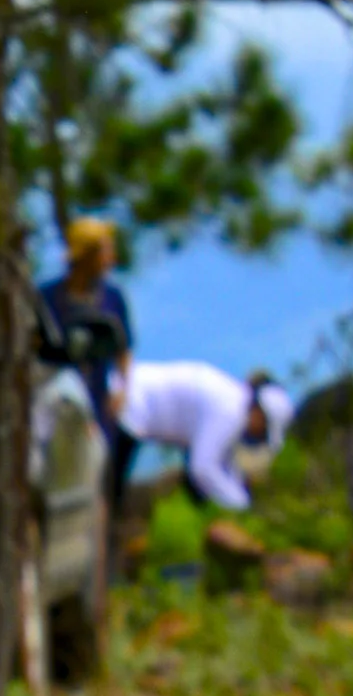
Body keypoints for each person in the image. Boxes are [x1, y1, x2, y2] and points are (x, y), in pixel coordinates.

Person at [37, 211, 136, 525]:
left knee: (99, 481)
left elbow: (124, 350)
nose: (111, 257)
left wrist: (122, 389)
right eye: (105, 250)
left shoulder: (112, 297)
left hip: (98, 402)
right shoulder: (47, 298)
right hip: (55, 403)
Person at [116, 352, 294, 518]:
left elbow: (225, 466)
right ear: (260, 416)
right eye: (263, 433)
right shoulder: (230, 412)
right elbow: (202, 468)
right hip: (130, 409)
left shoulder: (233, 401)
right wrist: (241, 505)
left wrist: (240, 498)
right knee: (109, 493)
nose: (259, 438)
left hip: (133, 406)